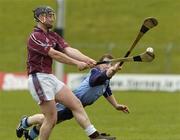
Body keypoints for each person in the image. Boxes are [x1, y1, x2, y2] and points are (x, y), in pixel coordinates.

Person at [21, 5, 116, 140]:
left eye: (51, 15)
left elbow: (68, 50)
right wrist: (76, 63)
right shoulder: (35, 36)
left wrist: (87, 59)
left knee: (75, 103)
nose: (51, 18)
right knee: (51, 118)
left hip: (49, 77)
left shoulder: (53, 36)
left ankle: (94, 136)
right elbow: (54, 54)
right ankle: (27, 124)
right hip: (38, 78)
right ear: (40, 18)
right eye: (48, 15)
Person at [16, 54, 130, 140]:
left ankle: (30, 136)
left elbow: (107, 92)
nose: (108, 66)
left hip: (77, 108)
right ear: (99, 64)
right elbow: (97, 79)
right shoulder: (95, 72)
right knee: (48, 120)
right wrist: (111, 71)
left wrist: (116, 105)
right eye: (105, 63)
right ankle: (25, 121)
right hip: (69, 103)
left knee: (52, 121)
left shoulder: (105, 81)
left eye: (109, 64)